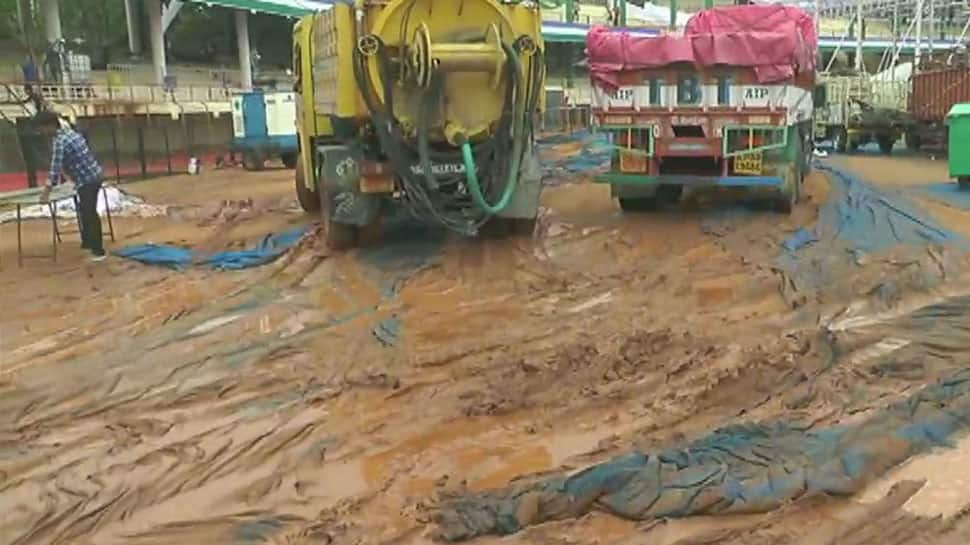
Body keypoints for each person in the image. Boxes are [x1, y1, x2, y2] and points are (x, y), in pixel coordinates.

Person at [37, 111, 107, 261]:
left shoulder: (61, 141)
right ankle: (88, 242)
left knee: (89, 213)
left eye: (42, 128)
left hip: (88, 179)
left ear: (49, 126)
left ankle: (98, 251)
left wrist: (46, 192)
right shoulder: (70, 132)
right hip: (92, 174)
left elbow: (55, 168)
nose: (41, 132)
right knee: (85, 210)